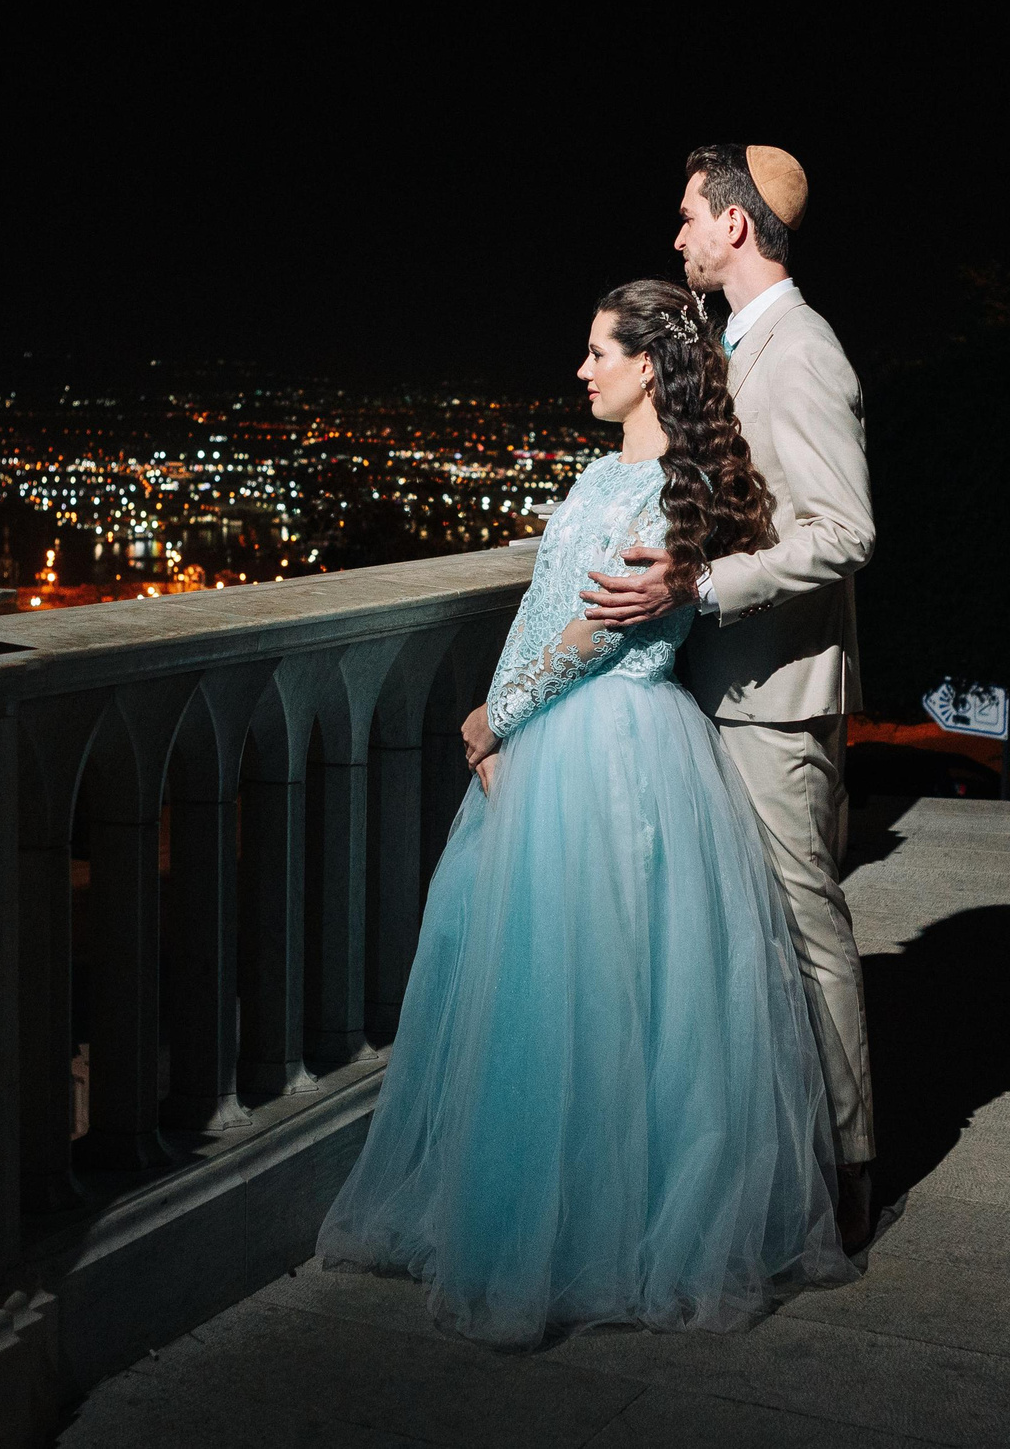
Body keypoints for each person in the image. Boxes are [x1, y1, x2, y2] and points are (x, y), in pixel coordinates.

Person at [316, 280, 855, 1349]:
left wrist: (497, 720)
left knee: (596, 994)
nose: (582, 369)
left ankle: (593, 1235)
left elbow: (602, 633)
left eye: (598, 352)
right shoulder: (595, 474)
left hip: (612, 751)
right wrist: (496, 705)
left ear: (648, 366)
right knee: (542, 991)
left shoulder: (672, 489)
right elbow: (541, 607)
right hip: (557, 736)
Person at [577, 145, 879, 1248]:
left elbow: (842, 534)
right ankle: (769, 1157)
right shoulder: (738, 345)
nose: (676, 238)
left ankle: (847, 1169)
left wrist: (698, 585)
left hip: (774, 698)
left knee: (804, 931)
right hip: (720, 688)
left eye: (687, 218)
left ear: (735, 228)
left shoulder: (797, 352)